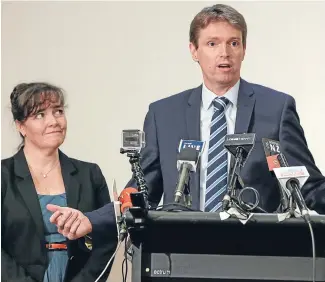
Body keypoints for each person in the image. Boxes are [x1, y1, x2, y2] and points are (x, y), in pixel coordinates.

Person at [46, 3, 325, 239]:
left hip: (257, 250)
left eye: (233, 43)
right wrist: (93, 220)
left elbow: (307, 184)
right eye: (212, 43)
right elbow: (142, 189)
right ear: (194, 50)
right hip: (181, 249)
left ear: (243, 49)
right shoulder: (163, 114)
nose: (224, 53)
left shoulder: (275, 108)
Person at [1, 82, 117, 282]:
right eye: (40, 115)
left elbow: (107, 238)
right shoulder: (3, 176)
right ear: (21, 126)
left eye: (58, 111)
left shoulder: (90, 174)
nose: (54, 121)